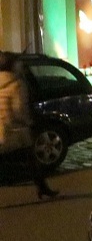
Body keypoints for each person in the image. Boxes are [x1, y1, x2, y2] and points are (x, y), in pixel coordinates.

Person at [0, 52, 57, 200]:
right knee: (31, 161)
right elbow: (19, 109)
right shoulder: (16, 84)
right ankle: (42, 188)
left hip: (1, 130)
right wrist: (27, 122)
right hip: (16, 130)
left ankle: (43, 188)